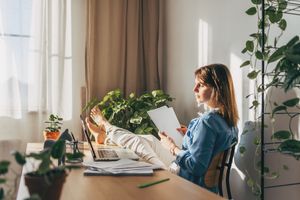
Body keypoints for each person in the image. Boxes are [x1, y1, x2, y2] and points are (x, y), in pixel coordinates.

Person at [86, 63, 239, 193]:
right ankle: (105, 137)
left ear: (217, 88)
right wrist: (192, 134)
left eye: (201, 85)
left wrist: (172, 147)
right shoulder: (229, 123)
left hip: (182, 179)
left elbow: (196, 166)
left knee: (138, 142)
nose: (194, 89)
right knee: (150, 139)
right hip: (189, 174)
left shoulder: (207, 122)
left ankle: (105, 125)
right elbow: (209, 148)